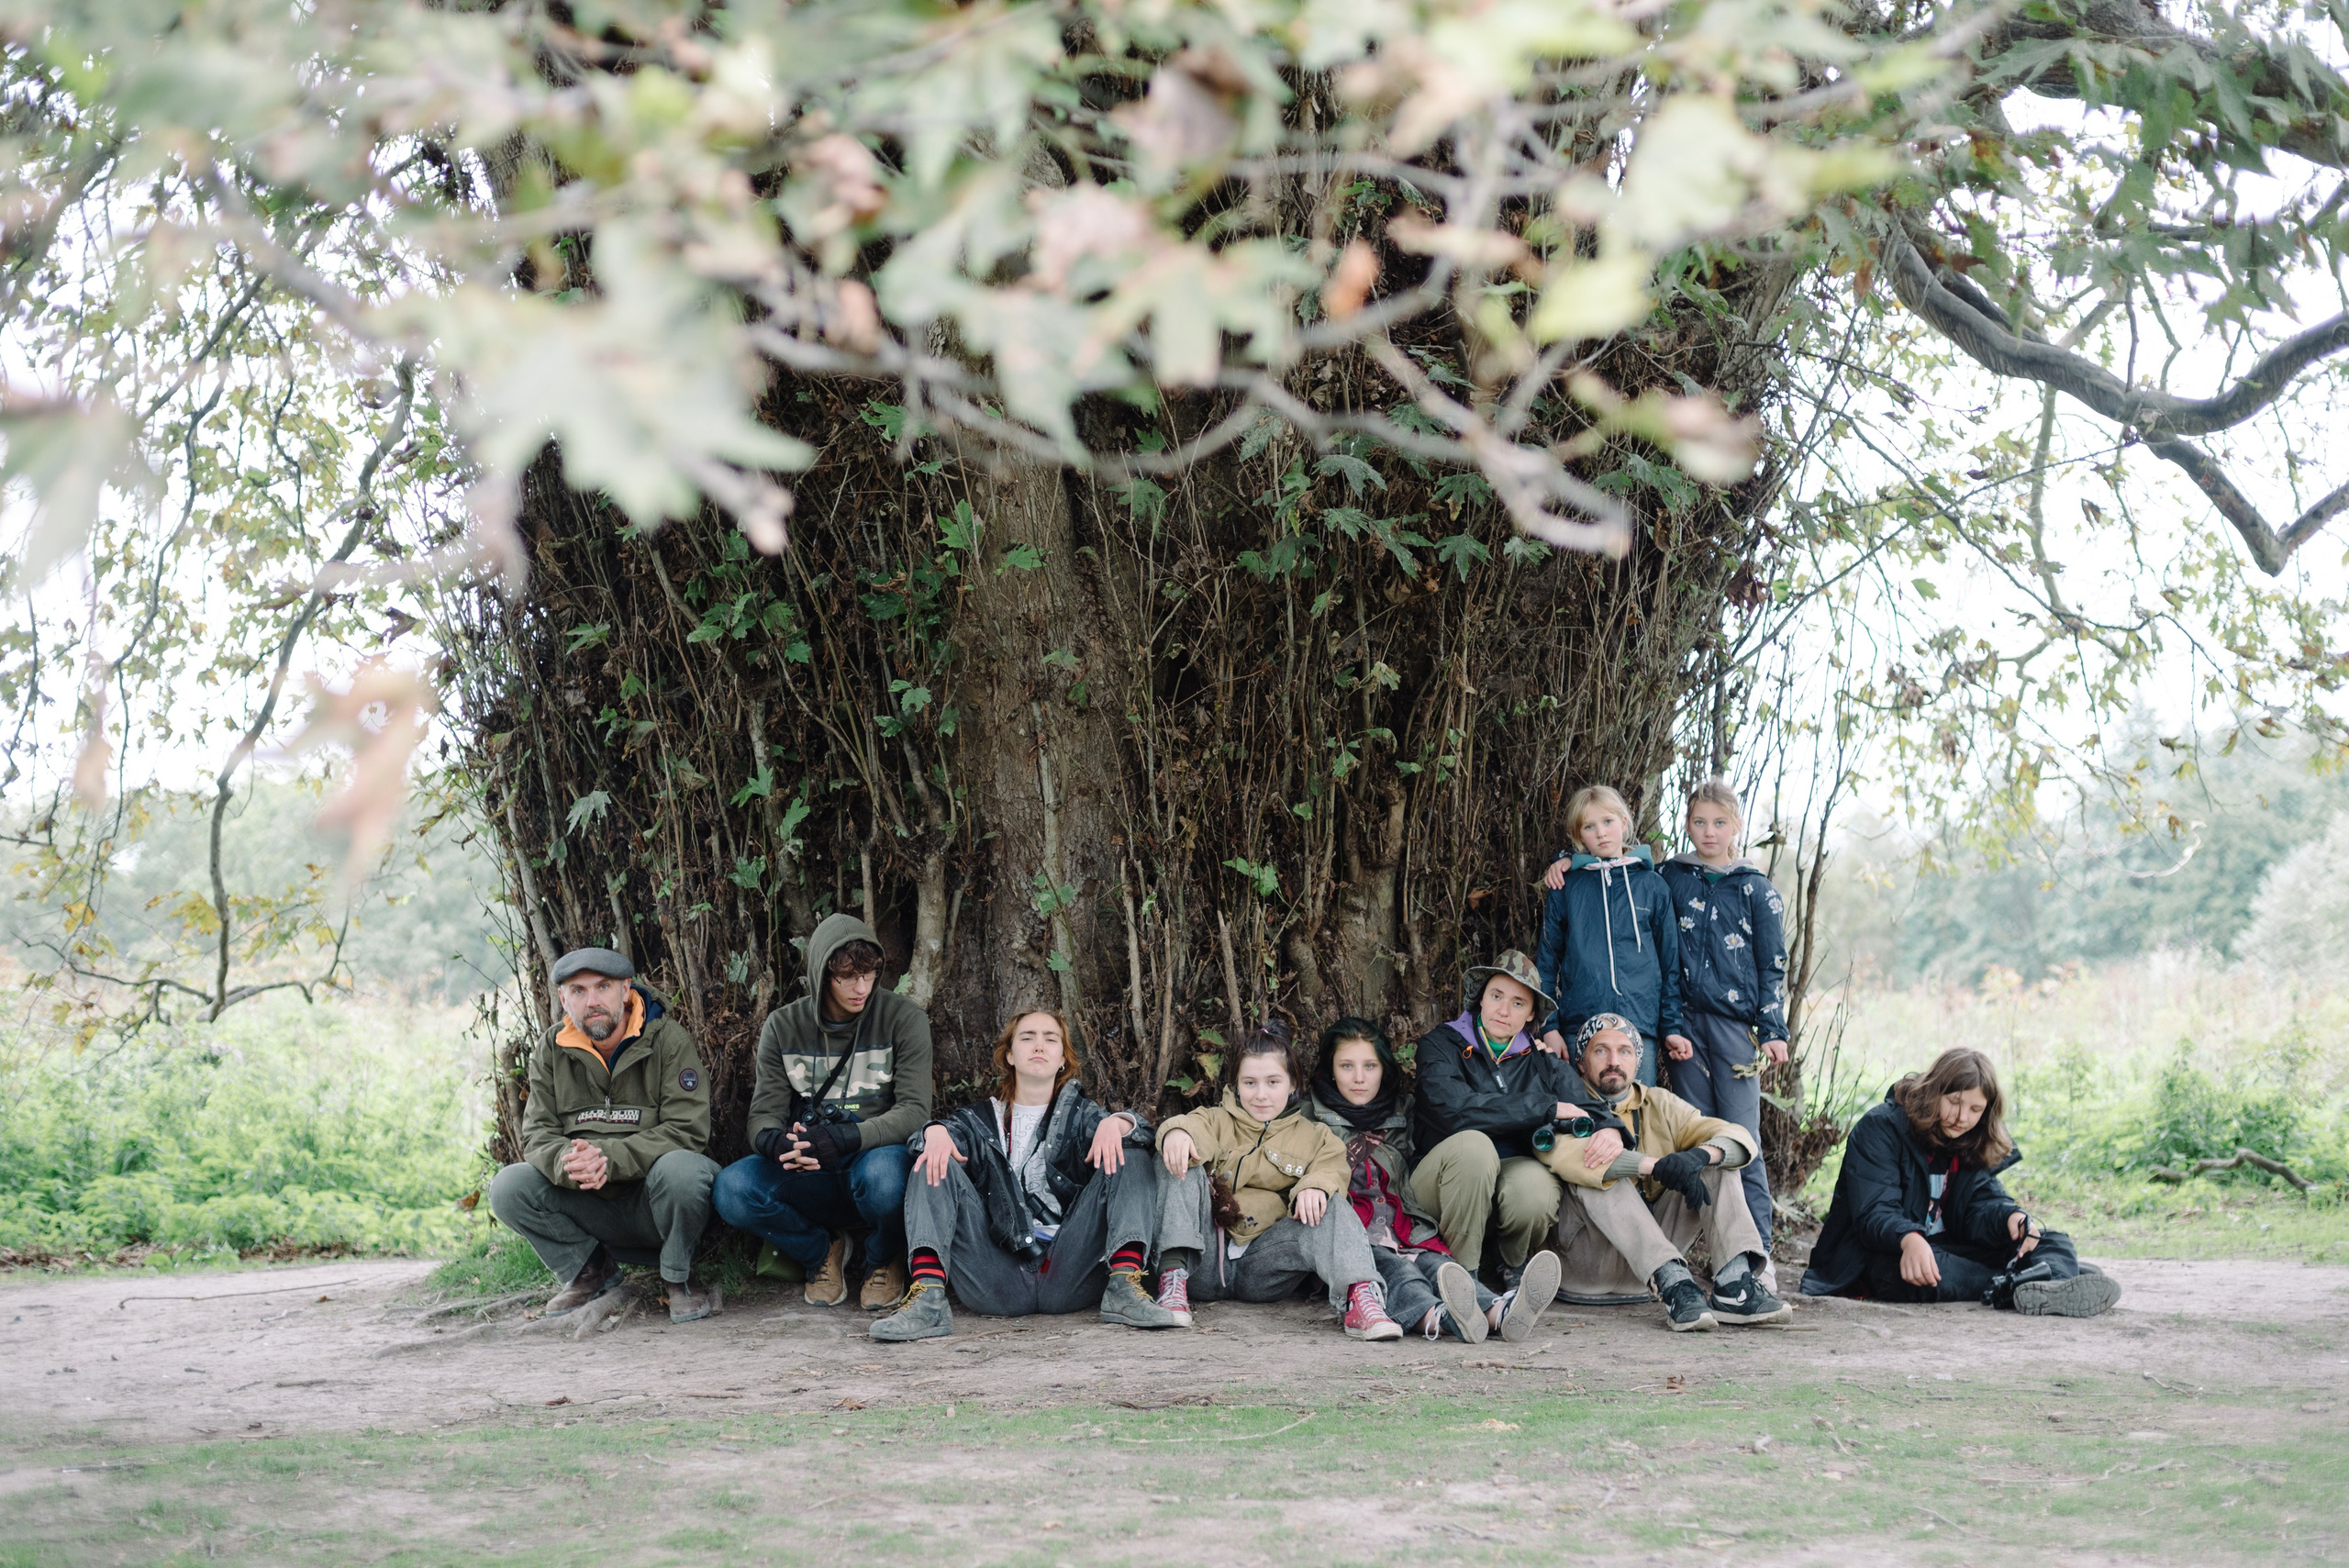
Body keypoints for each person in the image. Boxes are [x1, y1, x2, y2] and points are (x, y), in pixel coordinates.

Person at [868, 1008, 1181, 1340]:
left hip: (1069, 1269)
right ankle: (927, 1300)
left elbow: (1147, 1135)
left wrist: (1117, 1123)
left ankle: (1124, 1287)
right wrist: (933, 1134)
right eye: (1027, 1038)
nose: (1039, 1046)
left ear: (1063, 1058)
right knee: (933, 1157)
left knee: (1129, 1152)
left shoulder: (1081, 1115)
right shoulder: (980, 1119)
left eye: (1050, 1039)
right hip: (995, 1274)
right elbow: (926, 1141)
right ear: (1010, 1056)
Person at [488, 947, 720, 1322]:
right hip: (586, 1203)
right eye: (578, 991)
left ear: (626, 989)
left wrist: (607, 1160)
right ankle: (590, 1270)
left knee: (685, 1171)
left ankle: (678, 1277)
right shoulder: (552, 1048)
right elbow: (538, 1133)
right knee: (509, 1186)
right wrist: (572, 1164)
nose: (592, 1001)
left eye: (603, 987)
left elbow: (687, 1130)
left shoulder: (667, 1041)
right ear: (563, 999)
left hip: (651, 1201)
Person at [713, 914, 931, 1311]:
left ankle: (884, 1257)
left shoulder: (904, 1018)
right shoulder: (783, 1026)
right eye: (846, 977)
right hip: (810, 1170)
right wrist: (778, 1143)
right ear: (821, 974)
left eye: (869, 975)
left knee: (886, 1179)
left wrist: (848, 1137)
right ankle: (821, 1251)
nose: (860, 988)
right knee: (733, 1189)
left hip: (874, 1159)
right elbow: (763, 1115)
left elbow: (915, 1111)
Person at [1801, 1048, 2121, 1316]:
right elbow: (1873, 1213)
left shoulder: (1970, 1137)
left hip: (1947, 1247)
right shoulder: (1880, 1129)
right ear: (1933, 1091)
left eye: (1975, 1109)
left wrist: (2010, 1217)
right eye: (1954, 1101)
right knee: (1921, 1273)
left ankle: (2051, 1283)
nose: (1962, 1117)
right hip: (1879, 1254)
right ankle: (2041, 1278)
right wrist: (1910, 1239)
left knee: (2050, 1240)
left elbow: (1979, 1206)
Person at [1307, 1017, 1556, 1343]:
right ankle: (1440, 1319)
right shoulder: (1308, 1117)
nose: (1359, 1078)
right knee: (1399, 1272)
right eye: (1346, 1066)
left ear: (1384, 1068)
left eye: (1370, 1066)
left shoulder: (1407, 1110)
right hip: (1355, 1235)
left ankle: (1499, 1312)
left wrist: (1535, 1058)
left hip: (1406, 1224)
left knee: (1438, 1265)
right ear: (1330, 1069)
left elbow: (1456, 1128)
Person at [1152, 1021, 1401, 1340]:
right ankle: (1172, 1281)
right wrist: (1177, 1132)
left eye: (1273, 1082)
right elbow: (1193, 1125)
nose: (1261, 1095)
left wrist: (1315, 1186)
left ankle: (1361, 1299)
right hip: (1203, 1261)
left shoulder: (1315, 1136)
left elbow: (1333, 1168)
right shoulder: (1216, 1119)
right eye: (1250, 1083)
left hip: (1266, 1265)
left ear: (1292, 1083)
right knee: (1176, 1158)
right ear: (1237, 1085)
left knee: (1333, 1204)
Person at [1547, 1015, 1792, 1331]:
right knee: (1597, 1169)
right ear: (1581, 1063)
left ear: (1637, 1062)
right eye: (1600, 1051)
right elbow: (1560, 1153)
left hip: (1645, 1276)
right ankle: (1673, 1280)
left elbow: (1737, 1136)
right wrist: (1656, 1165)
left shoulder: (1659, 1104)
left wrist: (1700, 1156)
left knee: (1714, 1163)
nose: (1613, 1061)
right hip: (1587, 1268)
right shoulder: (1565, 1104)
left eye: (1624, 1051)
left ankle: (1734, 1285)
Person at [1408, 949, 1620, 1289]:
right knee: (1474, 1147)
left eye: (1518, 1003)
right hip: (1441, 1178)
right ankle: (1464, 1276)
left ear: (1531, 1014)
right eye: (1496, 996)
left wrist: (1612, 1131)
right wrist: (1544, 1108)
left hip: (1508, 1173)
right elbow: (1454, 1111)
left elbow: (1591, 1109)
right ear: (1480, 999)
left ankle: (1512, 1269)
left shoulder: (1541, 1061)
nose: (1503, 1011)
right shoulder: (1441, 1044)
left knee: (1534, 1186)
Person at [1655, 778, 1789, 1253]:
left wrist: (1773, 1029)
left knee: (1741, 1138)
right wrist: (1568, 860)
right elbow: (1621, 870)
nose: (1708, 832)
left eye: (1719, 822)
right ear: (1687, 824)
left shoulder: (1756, 890)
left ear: (1735, 825)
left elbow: (1772, 963)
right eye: (1698, 822)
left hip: (1735, 1030)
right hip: (1683, 1028)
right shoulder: (1672, 876)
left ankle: (1757, 1252)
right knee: (1698, 1134)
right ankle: (1710, 1250)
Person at [1535, 784, 1688, 1087]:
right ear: (1580, 837)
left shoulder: (1652, 886)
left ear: (1624, 821)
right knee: (1580, 1121)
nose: (1601, 833)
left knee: (1634, 1121)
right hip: (1580, 1024)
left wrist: (1671, 1025)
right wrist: (1549, 1027)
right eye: (1589, 827)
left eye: (1607, 822)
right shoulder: (1567, 887)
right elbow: (1546, 962)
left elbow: (1670, 963)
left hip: (1638, 1023)